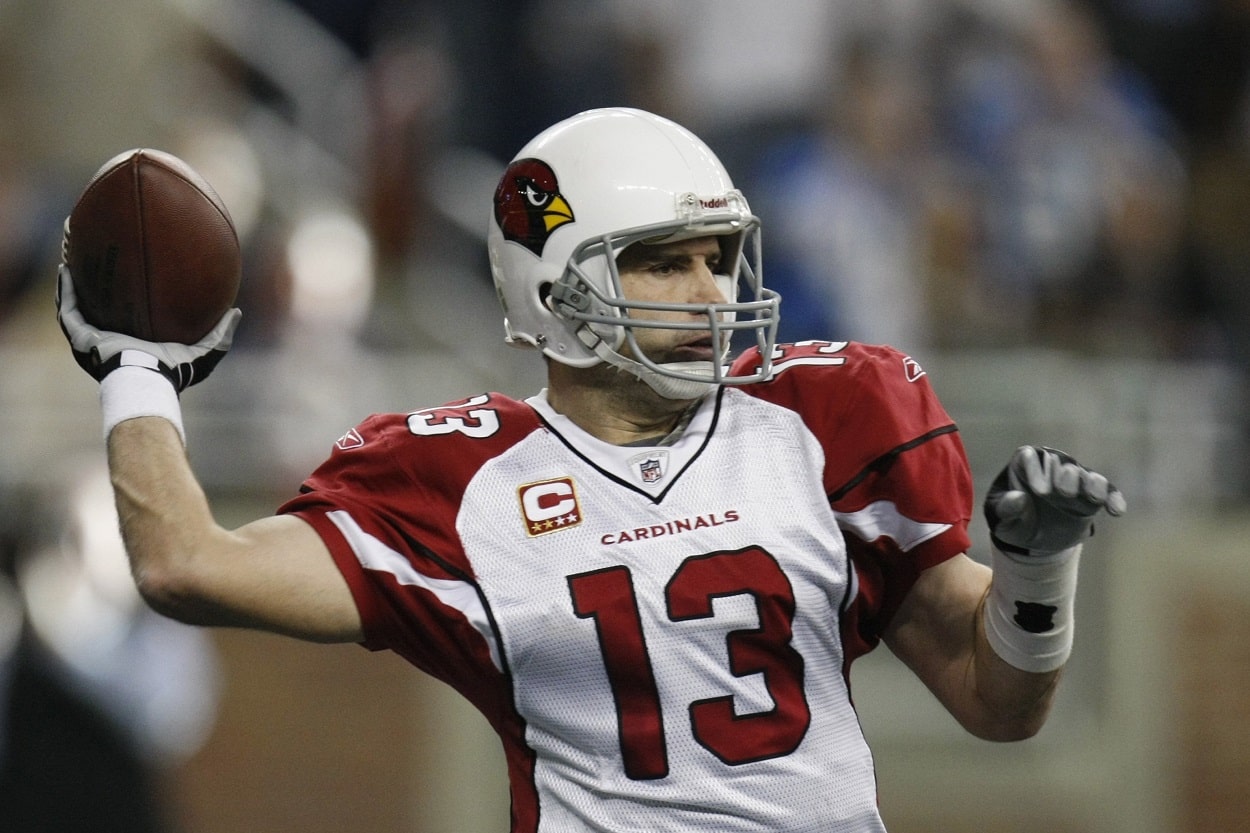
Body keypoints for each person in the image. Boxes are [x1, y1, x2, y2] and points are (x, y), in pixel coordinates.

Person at [55, 107, 1125, 832]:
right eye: (664, 260)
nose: (710, 293)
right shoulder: (457, 481)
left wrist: (1035, 570)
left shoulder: (822, 420)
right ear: (553, 286)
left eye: (718, 257)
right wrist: (137, 373)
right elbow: (185, 565)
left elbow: (999, 702)